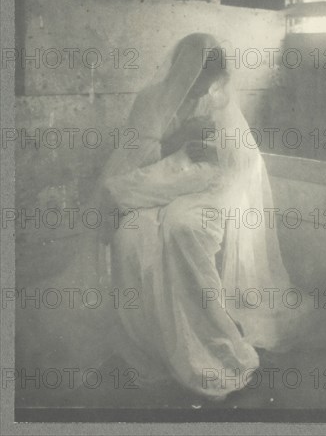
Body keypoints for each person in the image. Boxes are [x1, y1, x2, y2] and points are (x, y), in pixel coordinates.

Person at [99, 33, 300, 400]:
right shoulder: (152, 101)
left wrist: (212, 152)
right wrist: (177, 141)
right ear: (183, 70)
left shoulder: (217, 103)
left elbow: (244, 160)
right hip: (156, 181)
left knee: (182, 227)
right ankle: (152, 342)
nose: (206, 87)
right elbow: (133, 159)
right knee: (130, 234)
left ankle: (211, 343)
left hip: (202, 188)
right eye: (200, 77)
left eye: (212, 79)